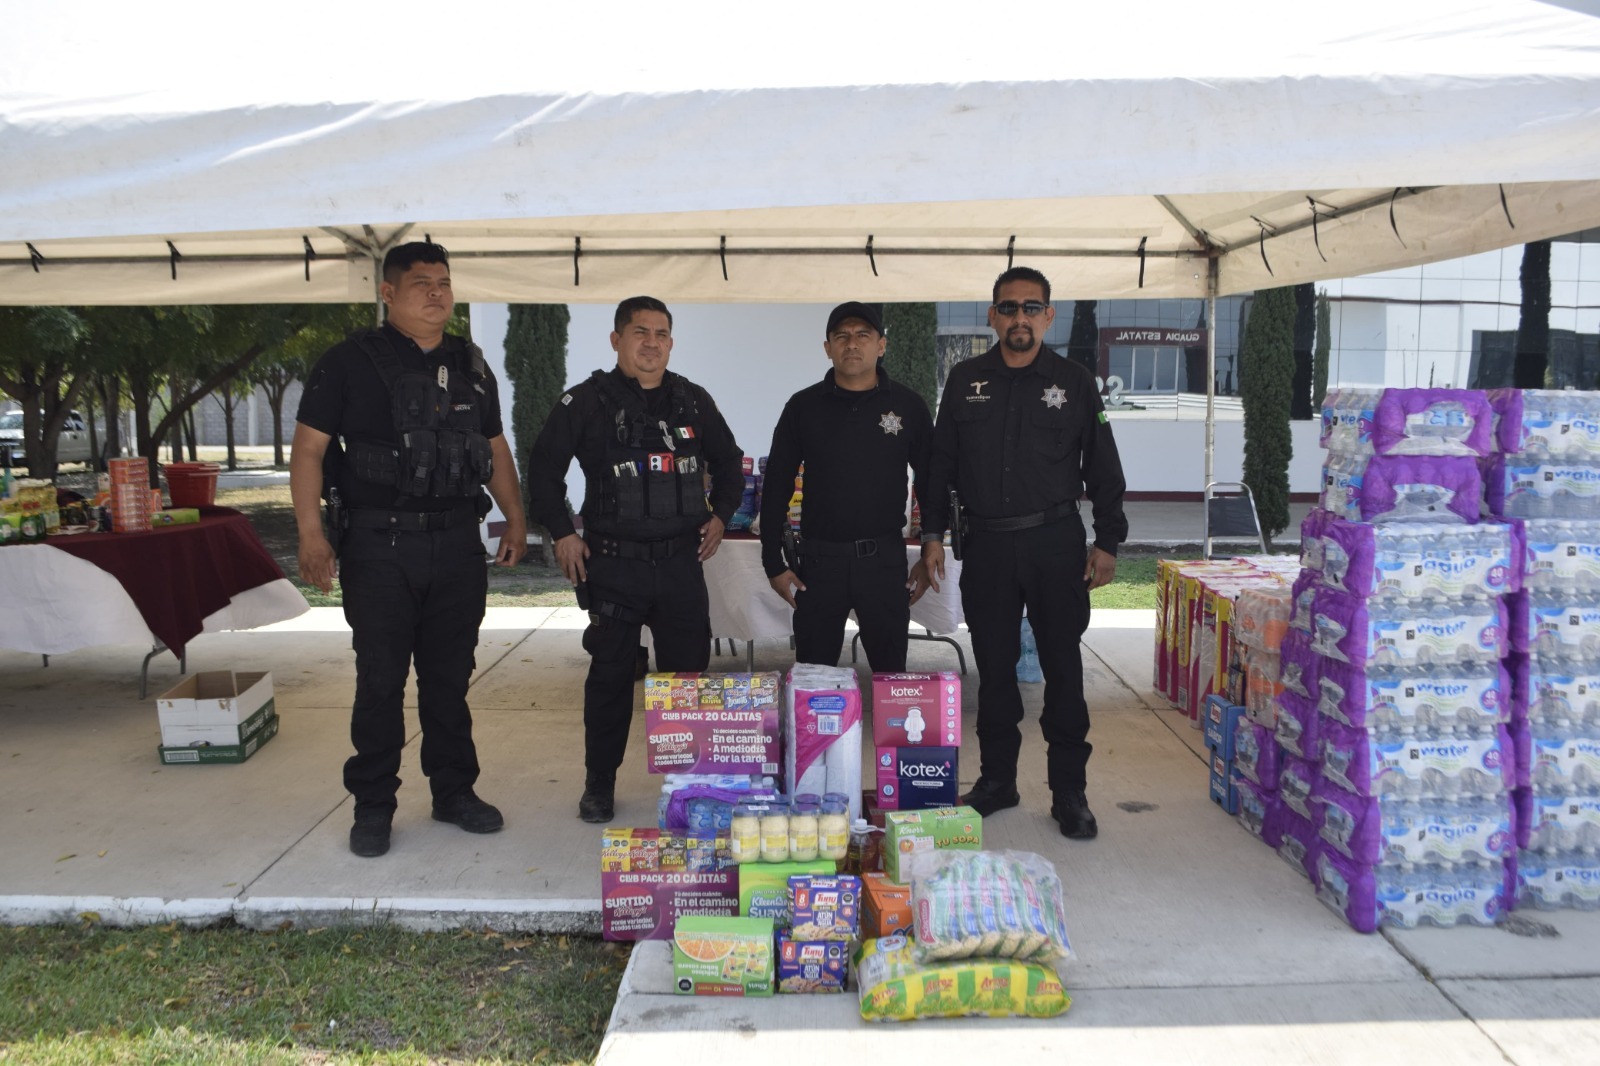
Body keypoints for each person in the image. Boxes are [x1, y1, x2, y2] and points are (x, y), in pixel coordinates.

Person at [290, 241, 527, 858]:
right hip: (379, 546)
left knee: (449, 679)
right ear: (388, 292)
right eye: (421, 283)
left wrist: (516, 517)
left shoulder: (472, 366)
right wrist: (311, 533)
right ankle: (373, 805)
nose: (436, 293)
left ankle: (454, 792)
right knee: (381, 681)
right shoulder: (347, 362)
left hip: (455, 544)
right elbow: (309, 450)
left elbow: (494, 448)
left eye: (443, 282)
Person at [921, 266, 1127, 839]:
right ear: (993, 316)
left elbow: (1104, 466)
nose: (1020, 318)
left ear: (1048, 316)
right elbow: (940, 466)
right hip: (986, 544)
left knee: (1062, 669)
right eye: (1009, 307)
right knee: (994, 669)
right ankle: (997, 781)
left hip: (1054, 544)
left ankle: (1070, 792)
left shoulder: (1074, 381)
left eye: (1031, 308)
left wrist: (1108, 540)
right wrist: (932, 534)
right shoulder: (964, 380)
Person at [526, 297, 744, 823]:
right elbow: (543, 472)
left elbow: (730, 463)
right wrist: (563, 533)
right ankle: (599, 784)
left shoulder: (693, 400)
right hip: (614, 566)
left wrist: (721, 516)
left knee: (685, 681)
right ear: (616, 339)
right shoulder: (584, 402)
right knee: (610, 679)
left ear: (671, 342)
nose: (652, 343)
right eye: (640, 332)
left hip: (679, 564)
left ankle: (686, 784)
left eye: (661, 334)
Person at [760, 301, 935, 670]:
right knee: (813, 675)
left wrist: (931, 543)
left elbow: (931, 479)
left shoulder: (908, 406)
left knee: (891, 675)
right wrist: (772, 561)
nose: (852, 344)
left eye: (862, 335)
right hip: (820, 564)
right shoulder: (803, 407)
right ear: (828, 348)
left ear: (881, 345)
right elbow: (776, 482)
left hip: (883, 562)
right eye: (841, 336)